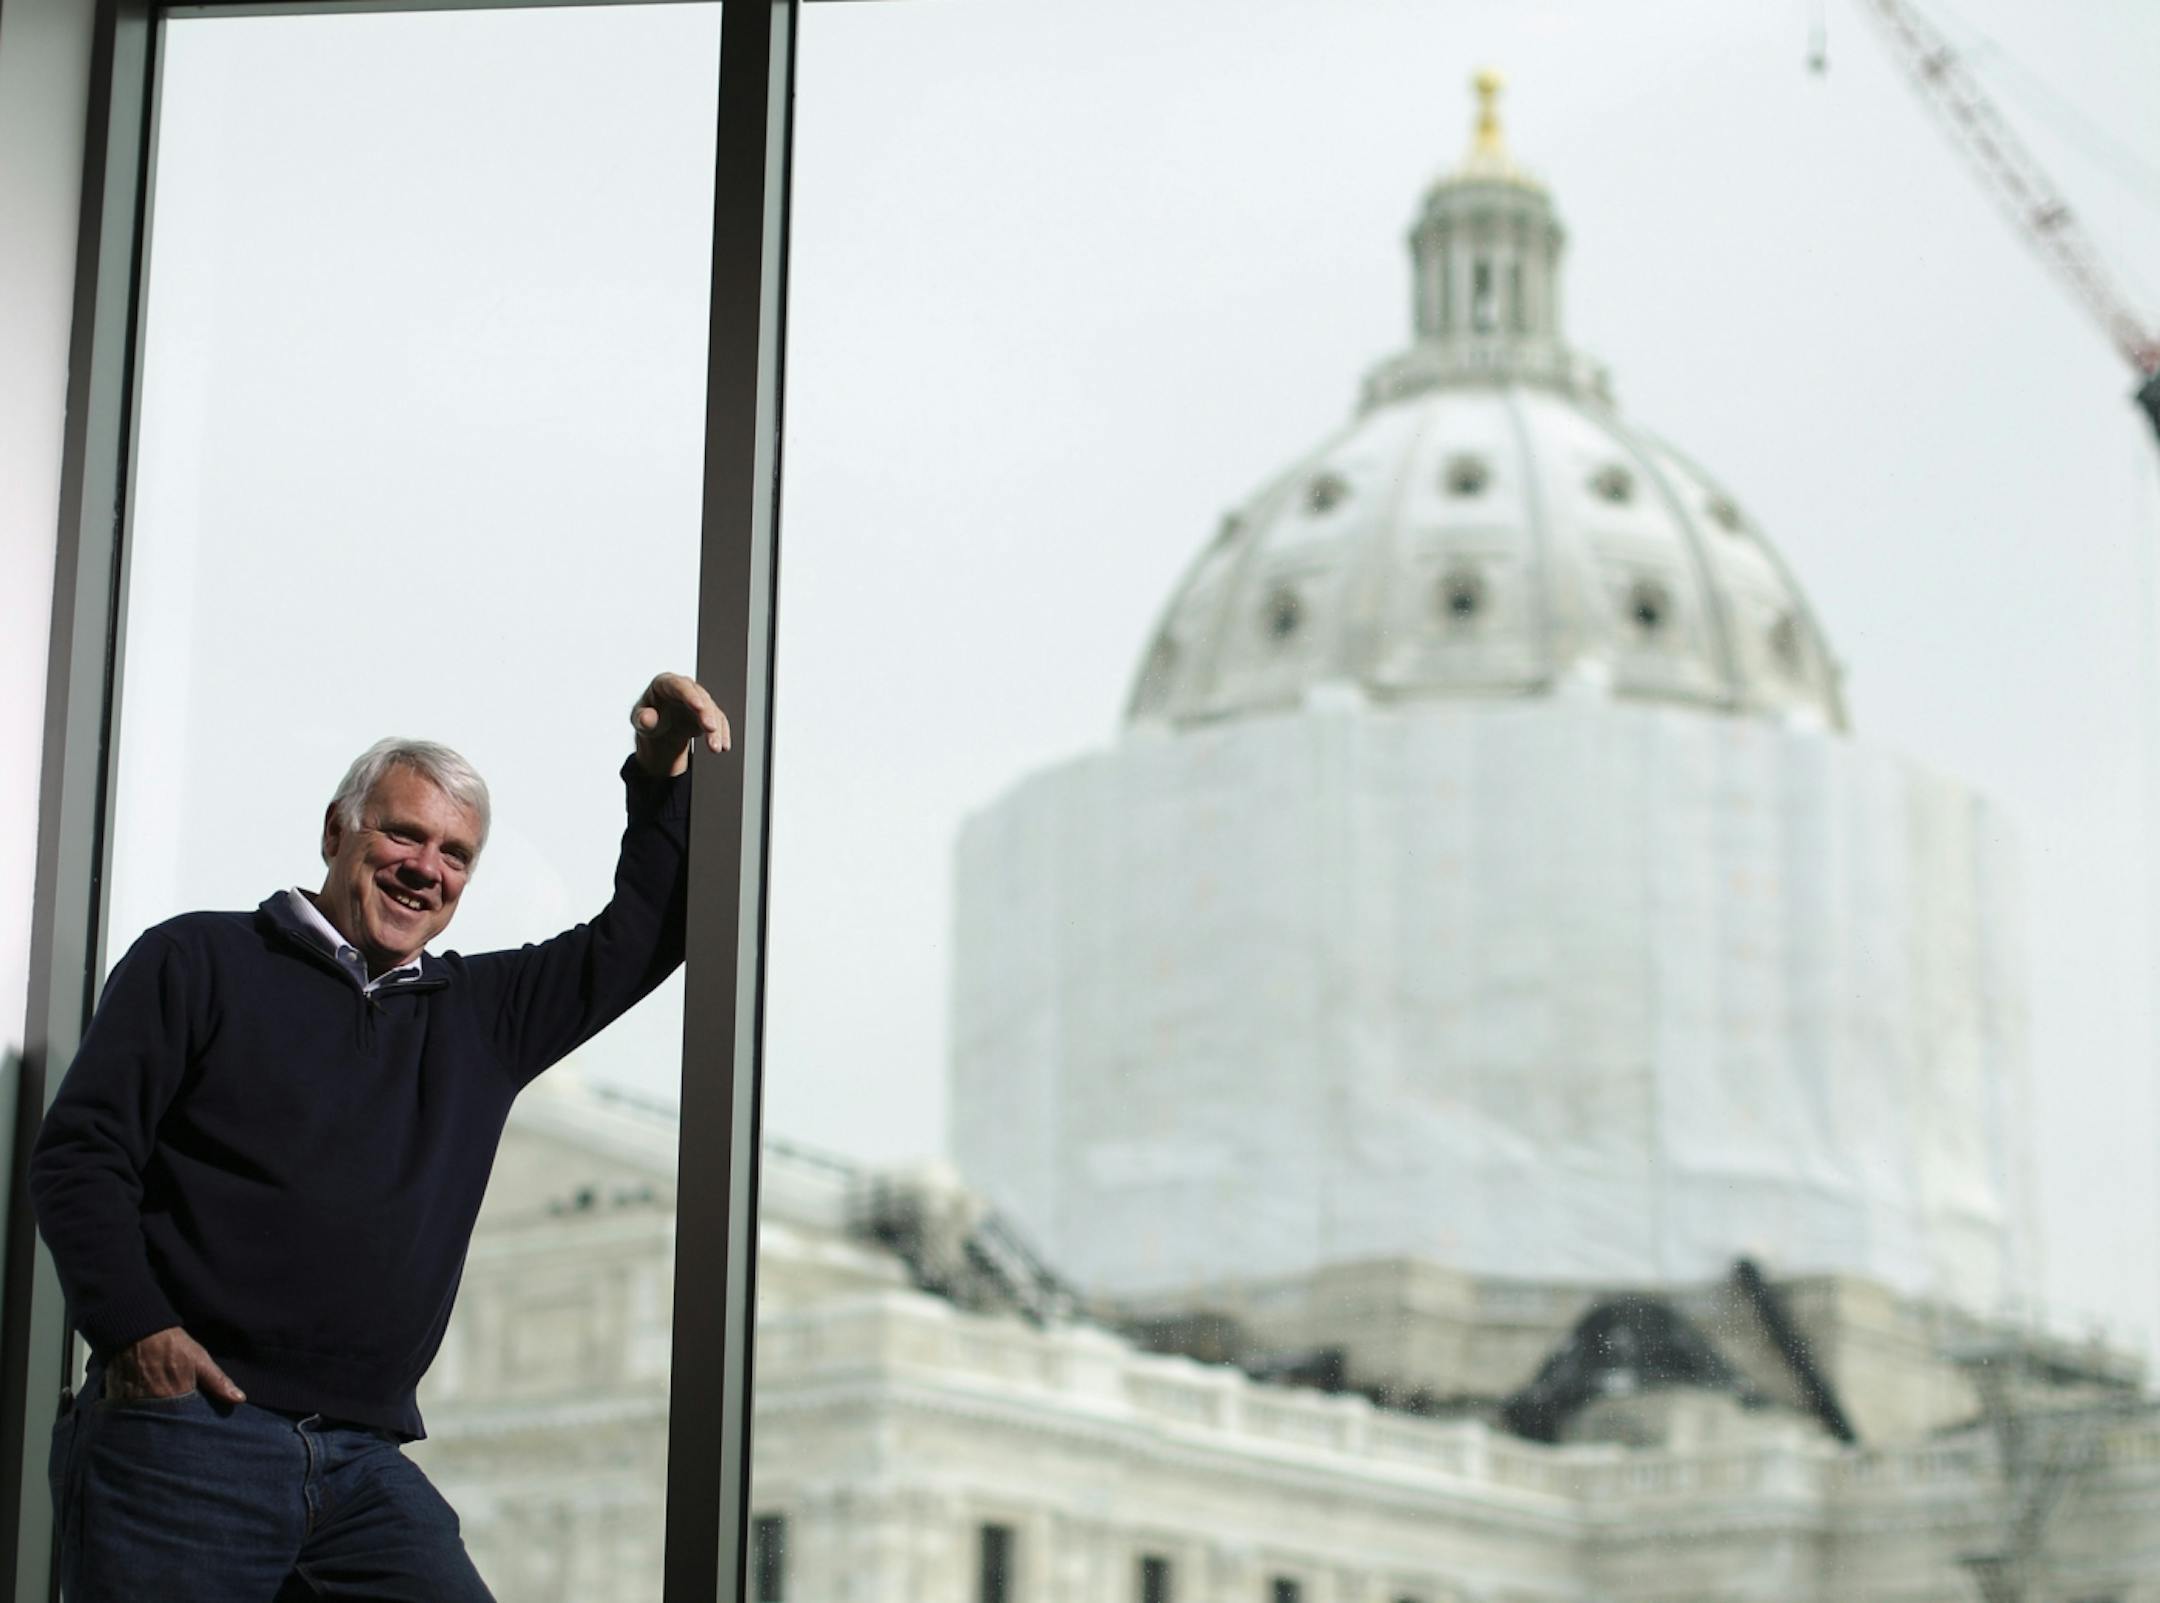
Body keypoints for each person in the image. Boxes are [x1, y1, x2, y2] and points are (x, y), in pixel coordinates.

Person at [28, 672, 729, 1602]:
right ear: (336, 832)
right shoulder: (197, 958)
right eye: (403, 833)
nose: (425, 867)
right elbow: (81, 1154)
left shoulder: (480, 1016)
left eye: (455, 854)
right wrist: (136, 1331)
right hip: (188, 1434)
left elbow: (645, 936)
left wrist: (660, 770)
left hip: (362, 1459)